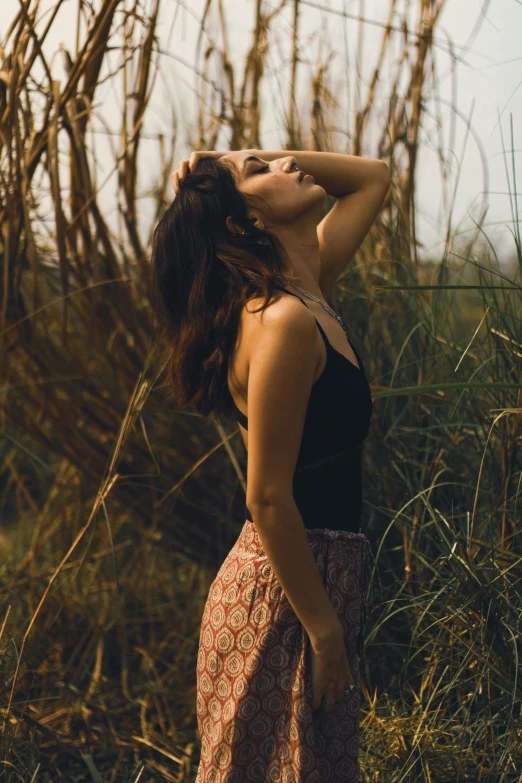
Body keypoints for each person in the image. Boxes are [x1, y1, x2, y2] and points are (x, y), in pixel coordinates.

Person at [150, 148, 389, 782]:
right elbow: (268, 498)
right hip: (282, 602)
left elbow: (372, 177)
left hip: (317, 586)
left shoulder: (306, 292)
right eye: (264, 170)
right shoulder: (283, 322)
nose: (287, 163)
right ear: (243, 224)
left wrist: (232, 163)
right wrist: (324, 630)